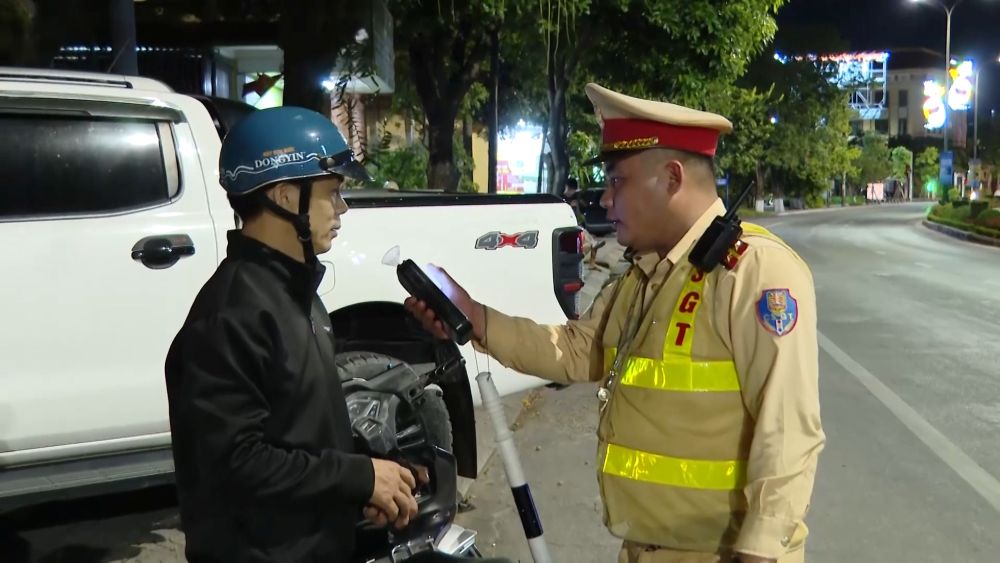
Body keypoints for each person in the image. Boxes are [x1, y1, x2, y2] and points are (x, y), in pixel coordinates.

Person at [404, 83, 825, 563]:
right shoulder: (647, 274)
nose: (605, 200)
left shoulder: (753, 272)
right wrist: (478, 320)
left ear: (671, 178)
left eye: (618, 181)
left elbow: (789, 434)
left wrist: (760, 553)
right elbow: (581, 350)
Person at [164, 106, 423, 563]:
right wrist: (358, 478)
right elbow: (234, 464)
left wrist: (370, 477)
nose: (342, 208)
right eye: (332, 193)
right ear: (286, 197)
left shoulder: (295, 293)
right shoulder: (230, 316)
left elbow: (299, 429)